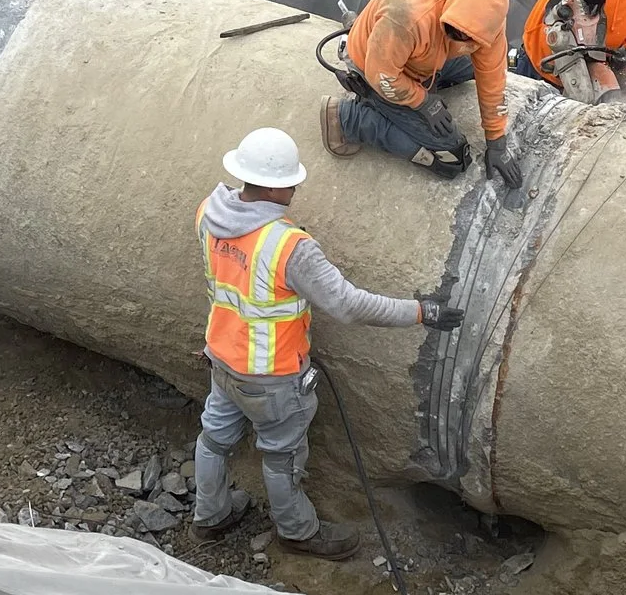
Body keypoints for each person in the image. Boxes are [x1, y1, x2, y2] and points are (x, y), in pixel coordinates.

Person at [193, 126, 463, 558]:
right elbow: (349, 305)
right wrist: (421, 312)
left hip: (221, 358)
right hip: (271, 377)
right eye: (292, 183)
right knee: (281, 457)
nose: (296, 189)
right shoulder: (287, 246)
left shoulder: (209, 211)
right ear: (282, 186)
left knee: (213, 440)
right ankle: (298, 532)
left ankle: (211, 517)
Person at [320, 0, 522, 187]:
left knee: (474, 66)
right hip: (374, 65)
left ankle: (415, 87)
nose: (460, 38)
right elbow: (382, 76)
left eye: (468, 37)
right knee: (453, 157)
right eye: (455, 31)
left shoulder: (485, 14)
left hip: (417, 55)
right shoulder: (407, 17)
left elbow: (492, 78)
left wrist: (496, 139)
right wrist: (423, 102)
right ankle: (348, 119)